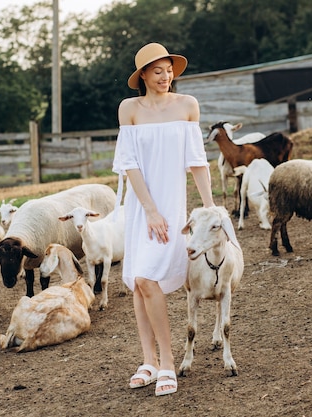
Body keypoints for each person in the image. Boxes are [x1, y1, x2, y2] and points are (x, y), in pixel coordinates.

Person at [112, 42, 215, 397]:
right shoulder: (129, 109)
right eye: (157, 71)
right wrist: (149, 209)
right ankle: (149, 360)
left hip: (171, 208)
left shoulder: (188, 106)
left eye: (169, 70)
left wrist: (209, 208)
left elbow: (197, 162)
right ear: (142, 75)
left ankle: (168, 363)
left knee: (146, 277)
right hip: (141, 208)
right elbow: (129, 164)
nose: (166, 77)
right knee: (139, 284)